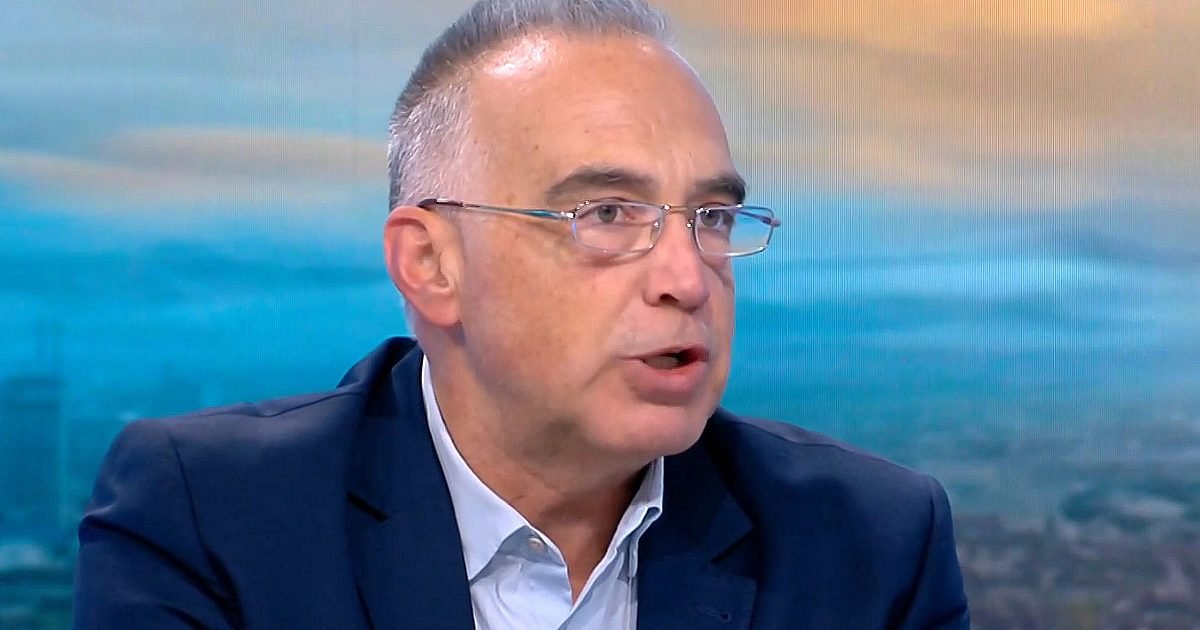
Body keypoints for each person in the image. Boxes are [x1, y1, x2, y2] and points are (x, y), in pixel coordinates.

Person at [73, 0, 969, 628]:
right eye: (608, 214)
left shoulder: (869, 544)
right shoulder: (212, 518)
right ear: (431, 265)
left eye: (711, 218)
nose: (687, 279)